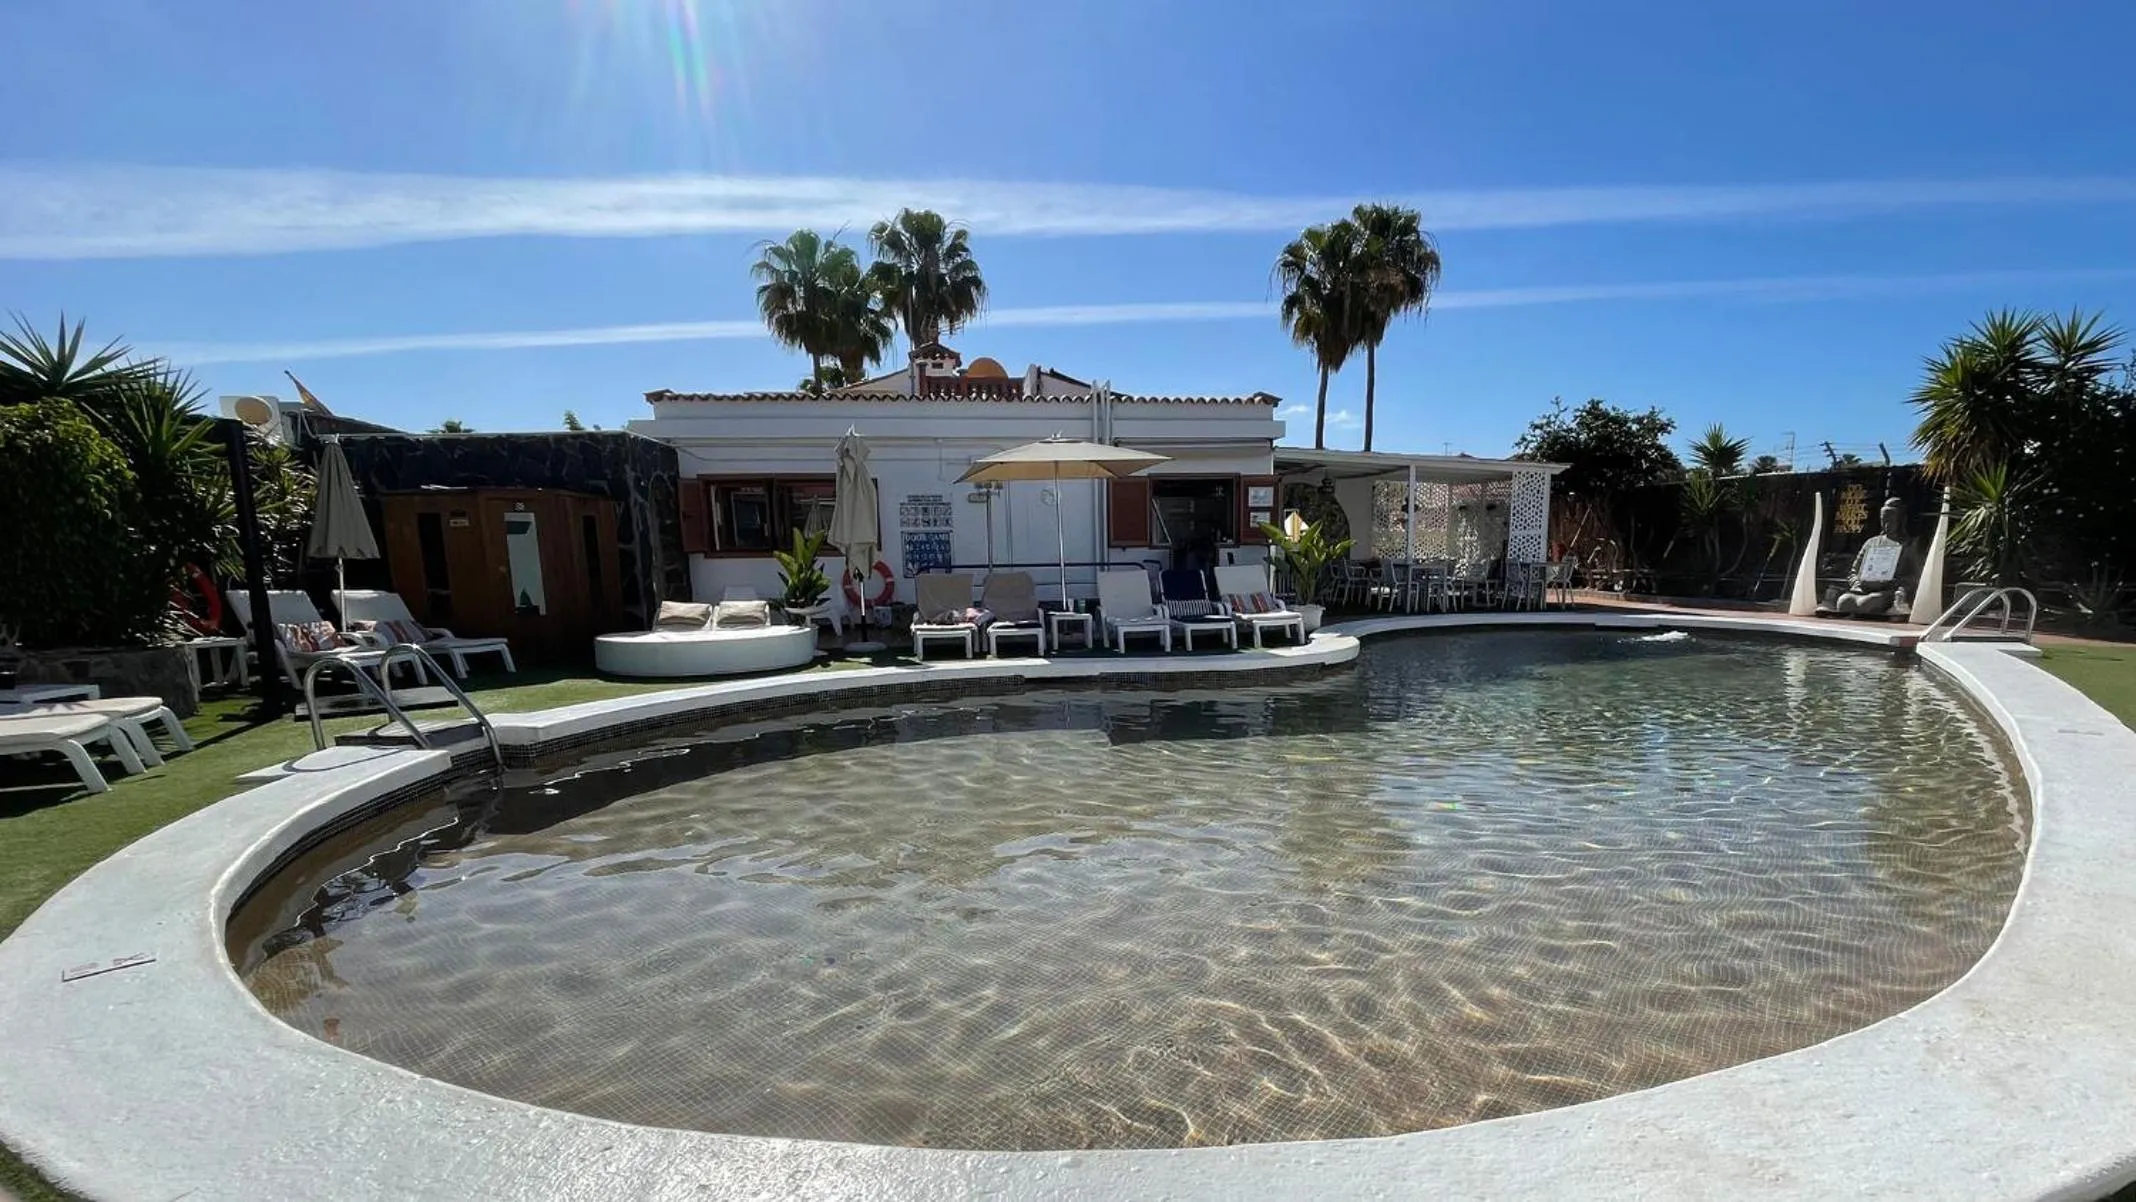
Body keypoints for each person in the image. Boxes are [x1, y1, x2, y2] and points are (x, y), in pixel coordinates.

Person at [1833, 496, 1920, 616]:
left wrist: (1894, 582)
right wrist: (1858, 583)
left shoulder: (1908, 545)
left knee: (1871, 601)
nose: (1887, 525)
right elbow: (1853, 572)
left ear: (1900, 521)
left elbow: (1915, 576)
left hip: (1888, 590)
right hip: (1863, 589)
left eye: (1891, 521)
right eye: (1884, 521)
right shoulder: (1871, 543)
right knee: (1844, 601)